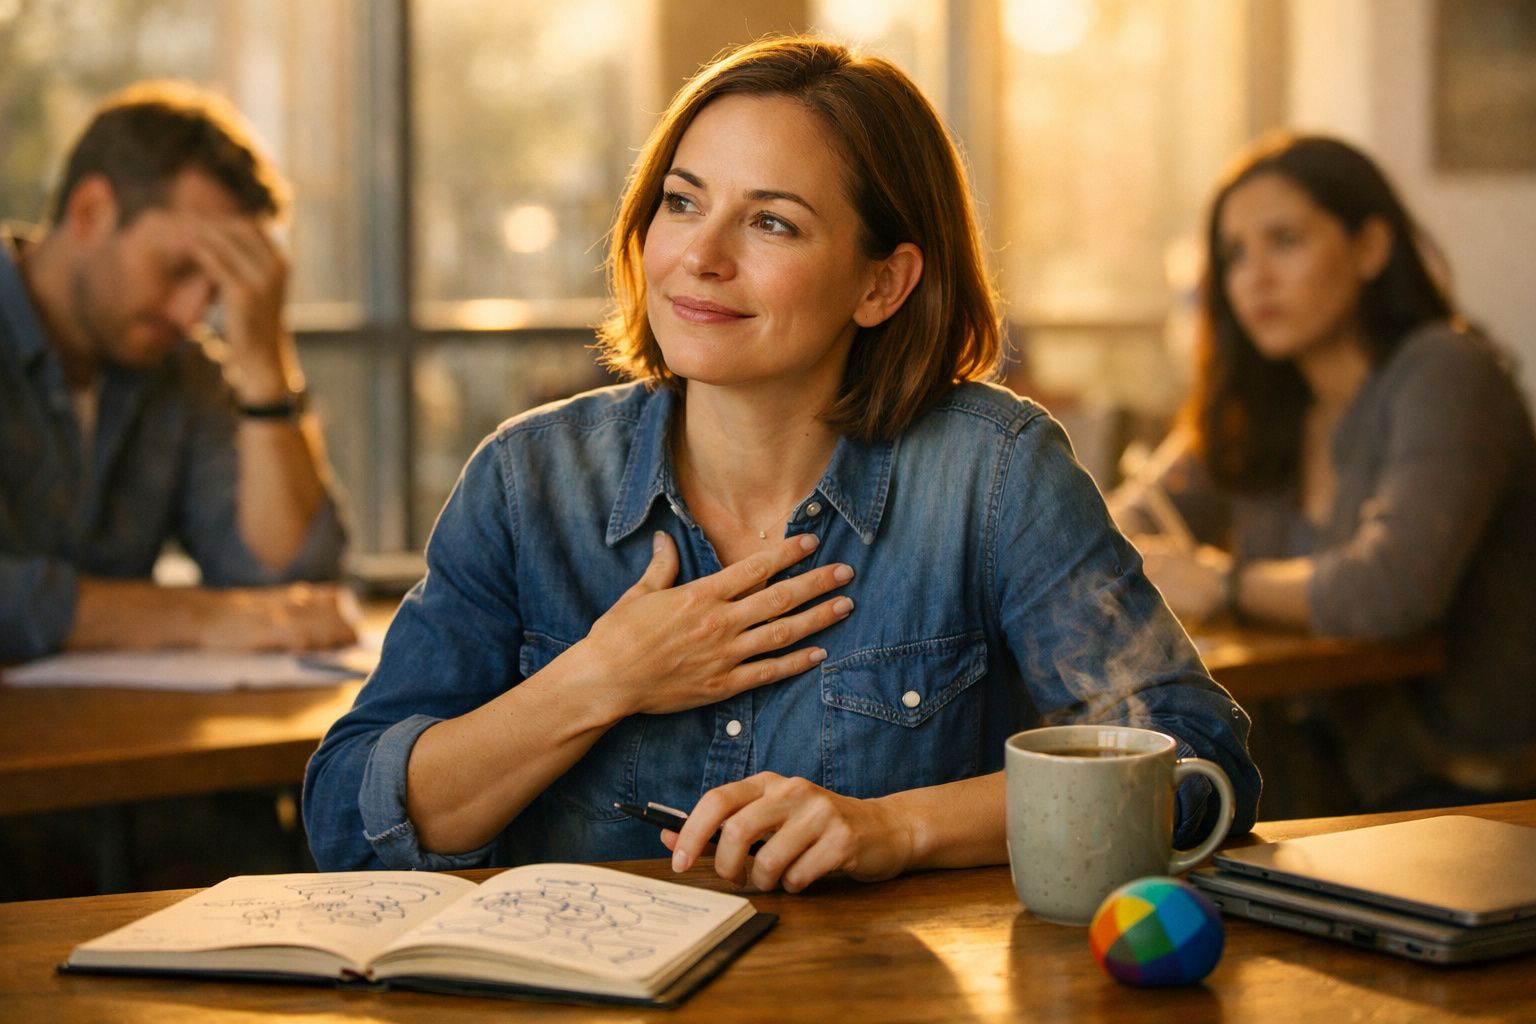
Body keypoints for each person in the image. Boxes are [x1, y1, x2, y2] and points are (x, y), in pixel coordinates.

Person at [305, 37, 1259, 891]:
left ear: (882, 283)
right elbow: (347, 819)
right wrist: (601, 679)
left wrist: (895, 828)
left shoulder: (994, 473)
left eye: (772, 223)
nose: (700, 258)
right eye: (683, 203)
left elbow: (1196, 770)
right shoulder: (525, 482)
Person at [1110, 133, 1536, 815]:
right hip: (1322, 777)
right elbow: (1126, 517)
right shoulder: (1269, 406)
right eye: (1233, 255)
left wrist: (1218, 582)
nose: (1255, 278)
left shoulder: (1448, 372)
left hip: (1469, 792)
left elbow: (1391, 590)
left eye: (1285, 241)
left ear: (1371, 247)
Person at [0, 81, 354, 661]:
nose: (193, 313)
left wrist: (264, 363)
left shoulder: (184, 370)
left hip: (117, 742)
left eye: (216, 288)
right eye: (177, 268)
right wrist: (190, 615)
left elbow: (291, 583)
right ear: (90, 211)